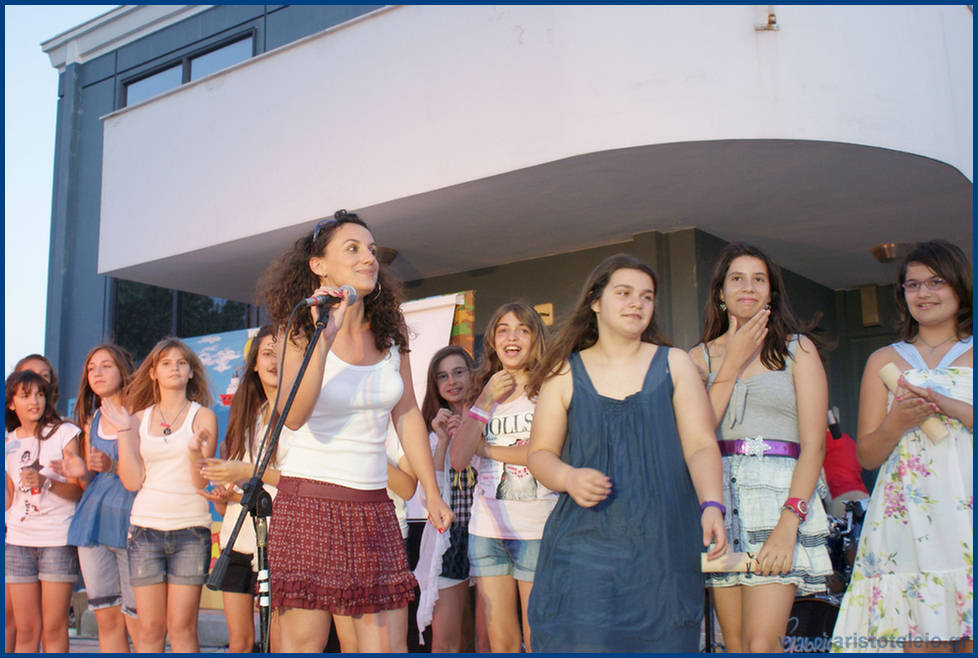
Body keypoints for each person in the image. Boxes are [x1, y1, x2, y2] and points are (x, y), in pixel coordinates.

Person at [256, 209, 453, 653]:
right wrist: (324, 337)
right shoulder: (299, 330)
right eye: (353, 248)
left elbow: (407, 413)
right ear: (318, 265)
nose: (368, 257)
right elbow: (293, 416)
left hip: (374, 508)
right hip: (309, 504)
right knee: (302, 646)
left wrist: (432, 492)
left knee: (384, 647)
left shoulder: (390, 333)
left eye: (371, 249)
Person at [523, 254, 727, 651]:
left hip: (663, 548)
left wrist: (712, 505)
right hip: (584, 552)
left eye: (647, 296)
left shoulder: (675, 364)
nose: (637, 303)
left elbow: (701, 445)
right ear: (595, 302)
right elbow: (540, 454)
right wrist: (567, 477)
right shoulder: (564, 372)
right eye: (624, 293)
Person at [689, 242, 833, 653]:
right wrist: (731, 363)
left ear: (771, 292)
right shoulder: (697, 358)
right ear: (720, 292)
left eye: (759, 279)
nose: (748, 287)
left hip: (779, 504)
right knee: (734, 644)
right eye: (737, 278)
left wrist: (789, 524)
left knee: (760, 644)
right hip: (719, 506)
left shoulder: (797, 349)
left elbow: (815, 445)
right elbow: (696, 433)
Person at [831, 240, 972, 653]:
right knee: (918, 639)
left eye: (936, 281)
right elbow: (868, 455)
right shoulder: (883, 360)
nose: (923, 293)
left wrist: (948, 405)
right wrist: (897, 422)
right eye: (913, 285)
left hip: (967, 506)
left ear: (960, 286)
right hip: (907, 515)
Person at [450, 302, 554, 653]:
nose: (512, 338)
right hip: (487, 531)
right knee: (501, 643)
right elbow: (458, 459)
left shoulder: (548, 389)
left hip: (536, 529)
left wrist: (487, 449)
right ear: (493, 341)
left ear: (535, 339)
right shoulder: (482, 393)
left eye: (523, 330)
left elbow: (542, 454)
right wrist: (484, 398)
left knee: (539, 639)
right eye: (503, 330)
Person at [108, 336, 218, 653]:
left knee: (182, 626)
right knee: (150, 628)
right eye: (166, 363)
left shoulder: (203, 416)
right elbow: (132, 481)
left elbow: (201, 481)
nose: (175, 368)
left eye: (181, 363)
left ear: (192, 372)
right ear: (153, 372)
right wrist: (123, 432)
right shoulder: (137, 419)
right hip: (145, 529)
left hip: (191, 528)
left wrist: (194, 451)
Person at [196, 325, 282, 653]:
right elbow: (224, 506)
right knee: (240, 642)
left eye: (281, 353)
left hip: (277, 539)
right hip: (236, 538)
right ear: (254, 364)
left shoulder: (296, 416)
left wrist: (237, 491)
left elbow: (292, 482)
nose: (274, 361)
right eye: (267, 353)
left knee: (277, 640)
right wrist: (224, 494)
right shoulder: (244, 418)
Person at [52, 344, 141, 652]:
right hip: (93, 524)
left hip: (132, 525)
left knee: (139, 622)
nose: (97, 373)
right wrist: (80, 472)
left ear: (123, 371)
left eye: (106, 366)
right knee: (107, 621)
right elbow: (92, 479)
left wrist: (113, 464)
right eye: (91, 368)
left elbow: (144, 471)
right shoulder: (92, 420)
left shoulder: (140, 414)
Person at [4, 369, 83, 653]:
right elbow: (8, 500)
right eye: (26, 396)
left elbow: (77, 491)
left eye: (40, 394)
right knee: (26, 629)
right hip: (18, 542)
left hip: (57, 540)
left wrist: (46, 482)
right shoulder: (8, 441)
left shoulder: (64, 433)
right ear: (11, 403)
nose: (35, 401)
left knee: (54, 627)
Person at [416, 346, 489, 652]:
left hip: (489, 533)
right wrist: (444, 443)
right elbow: (428, 497)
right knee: (446, 640)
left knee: (487, 638)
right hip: (450, 538)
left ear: (473, 375)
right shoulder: (433, 432)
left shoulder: (491, 419)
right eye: (442, 376)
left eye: (458, 372)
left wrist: (470, 436)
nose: (452, 382)